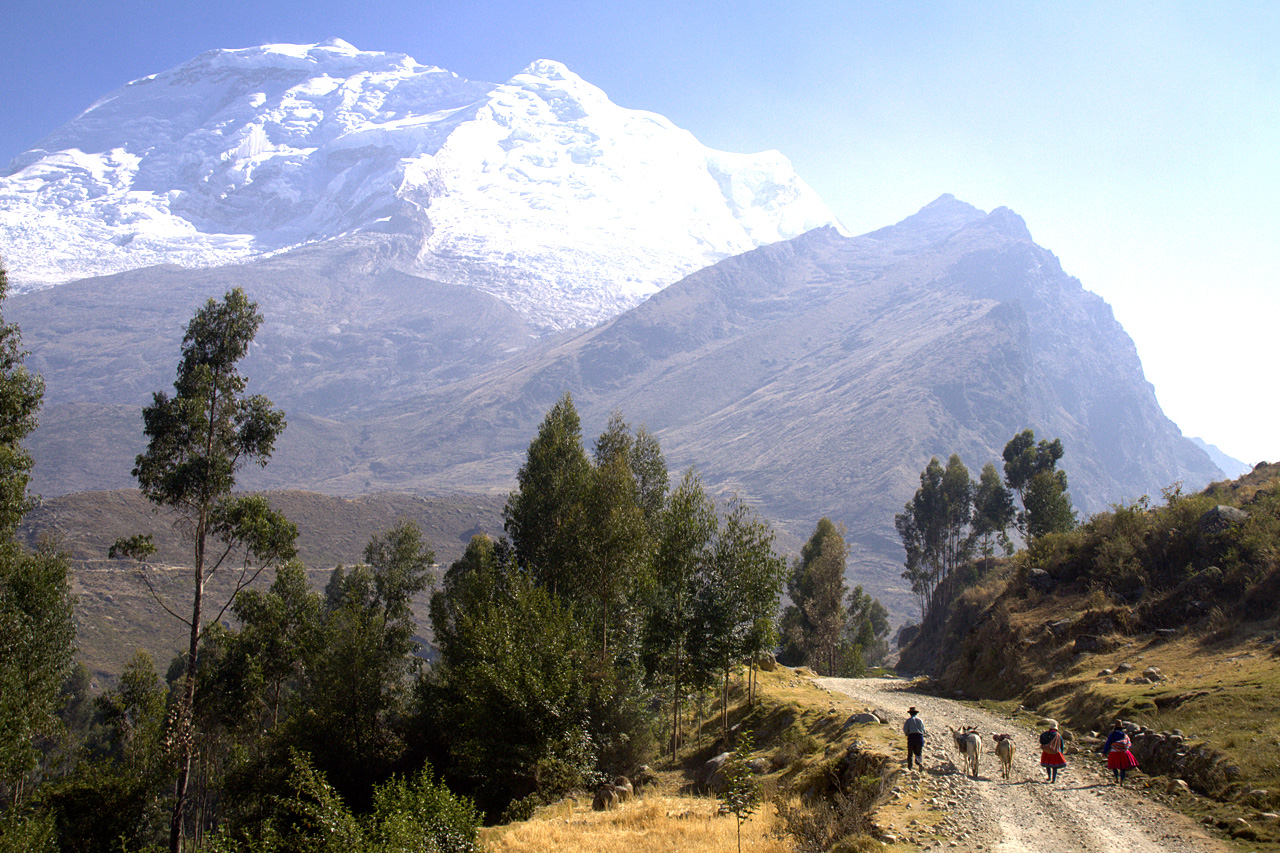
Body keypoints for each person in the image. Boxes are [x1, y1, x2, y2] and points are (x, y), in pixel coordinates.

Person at [1100, 720, 1139, 784]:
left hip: (1114, 752)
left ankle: (1116, 779)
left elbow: (1108, 744)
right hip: (1123, 753)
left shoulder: (1112, 735)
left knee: (1114, 766)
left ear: (1115, 727)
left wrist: (1104, 752)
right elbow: (1128, 744)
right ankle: (1122, 780)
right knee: (1122, 767)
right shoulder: (1124, 735)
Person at [903, 706, 926, 770]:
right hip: (919, 737)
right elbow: (923, 730)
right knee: (919, 753)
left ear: (910, 714)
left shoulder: (908, 721)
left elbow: (905, 730)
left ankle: (910, 767)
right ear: (916, 713)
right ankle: (920, 764)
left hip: (911, 737)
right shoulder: (920, 720)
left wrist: (907, 734)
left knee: (910, 753)